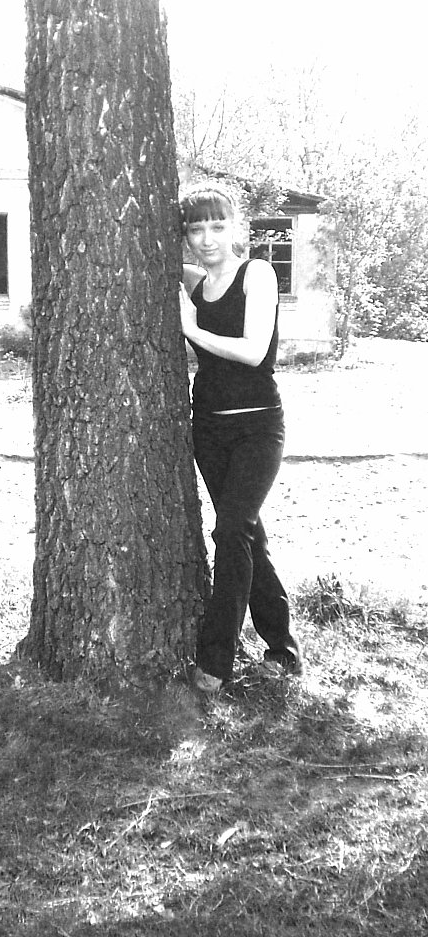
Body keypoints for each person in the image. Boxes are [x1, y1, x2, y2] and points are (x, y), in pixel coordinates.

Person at [179, 186, 304, 693]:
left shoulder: (258, 273)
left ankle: (215, 661)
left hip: (258, 427)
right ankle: (283, 649)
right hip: (208, 429)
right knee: (247, 534)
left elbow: (254, 351)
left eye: (217, 226)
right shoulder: (194, 282)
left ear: (235, 227)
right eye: (195, 229)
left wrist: (190, 328)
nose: (207, 238)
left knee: (231, 532)